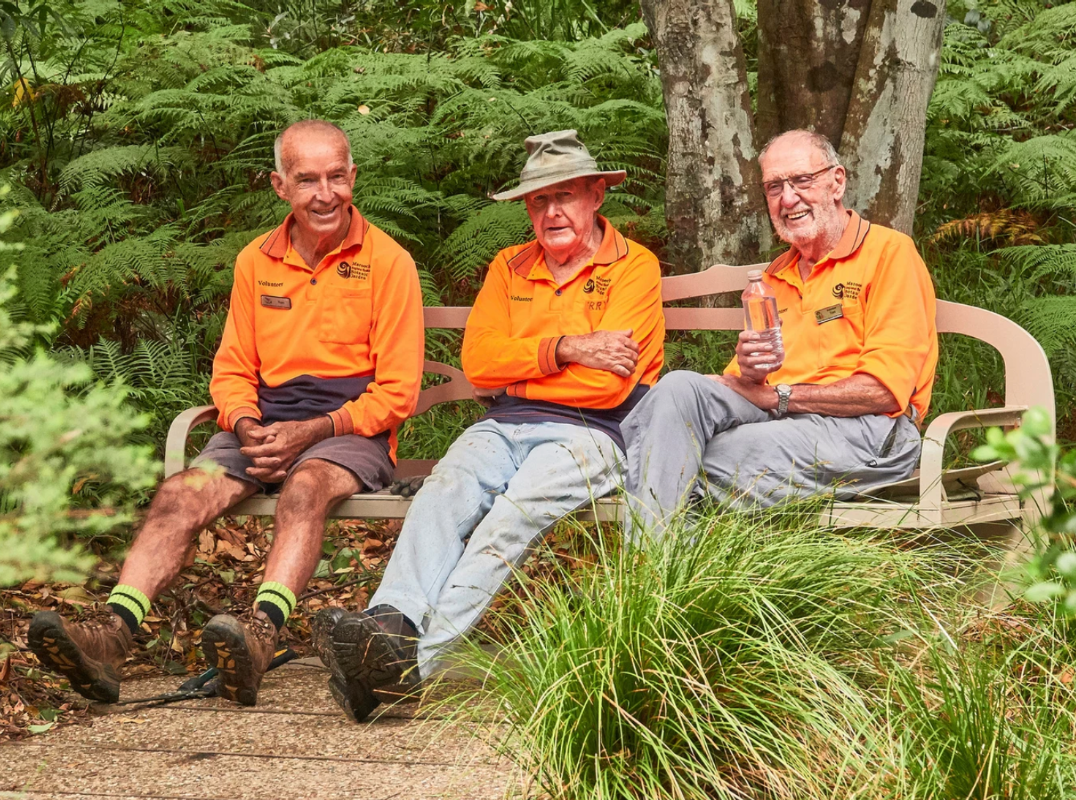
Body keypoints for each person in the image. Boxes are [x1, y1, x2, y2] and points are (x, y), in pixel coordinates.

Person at [28, 120, 424, 706]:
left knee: (306, 487)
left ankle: (260, 635)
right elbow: (233, 369)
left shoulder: (389, 262)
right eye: (307, 179)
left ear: (353, 178)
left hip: (349, 426)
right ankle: (113, 636)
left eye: (336, 177)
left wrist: (310, 433)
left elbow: (398, 393)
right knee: (180, 493)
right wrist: (245, 424)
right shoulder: (254, 261)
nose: (325, 194)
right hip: (262, 422)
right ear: (279, 186)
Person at [312, 130, 666, 722]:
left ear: (596, 195)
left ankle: (408, 666)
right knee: (444, 489)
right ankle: (389, 623)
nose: (551, 212)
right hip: (503, 424)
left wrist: (519, 373)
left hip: (594, 433)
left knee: (511, 517)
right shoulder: (509, 266)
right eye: (538, 200)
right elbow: (479, 365)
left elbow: (607, 388)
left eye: (565, 196)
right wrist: (569, 348)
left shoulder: (634, 267)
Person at [622, 129, 938, 536]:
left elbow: (884, 392)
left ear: (837, 182)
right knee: (678, 388)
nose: (788, 199)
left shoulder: (890, 253)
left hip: (869, 430)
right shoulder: (775, 276)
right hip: (783, 419)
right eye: (774, 187)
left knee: (683, 457)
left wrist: (778, 395)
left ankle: (655, 568)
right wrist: (750, 371)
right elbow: (743, 387)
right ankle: (664, 560)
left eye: (802, 180)